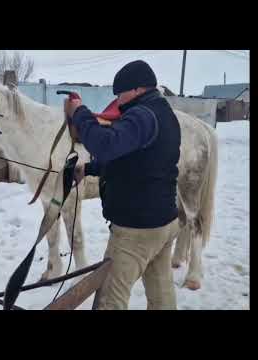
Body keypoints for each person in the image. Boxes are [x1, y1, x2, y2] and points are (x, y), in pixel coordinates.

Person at [65, 60, 181, 310]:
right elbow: (133, 159)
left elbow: (105, 145)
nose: (118, 99)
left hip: (136, 230)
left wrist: (79, 112)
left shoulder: (142, 115)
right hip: (162, 223)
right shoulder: (163, 112)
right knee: (161, 296)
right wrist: (88, 168)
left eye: (121, 93)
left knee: (109, 299)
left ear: (138, 89)